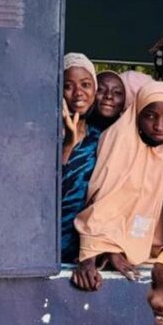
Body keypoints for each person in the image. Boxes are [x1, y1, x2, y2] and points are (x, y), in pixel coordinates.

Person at [71, 81, 163, 291]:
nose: (159, 126)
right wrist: (98, 252)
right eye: (150, 116)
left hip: (147, 249)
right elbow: (104, 201)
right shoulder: (119, 140)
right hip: (109, 241)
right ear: (137, 112)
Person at [61, 53, 100, 263]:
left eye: (85, 84)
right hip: (43, 244)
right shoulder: (41, 137)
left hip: (82, 250)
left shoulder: (100, 139)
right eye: (68, 86)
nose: (78, 93)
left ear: (95, 90)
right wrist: (68, 143)